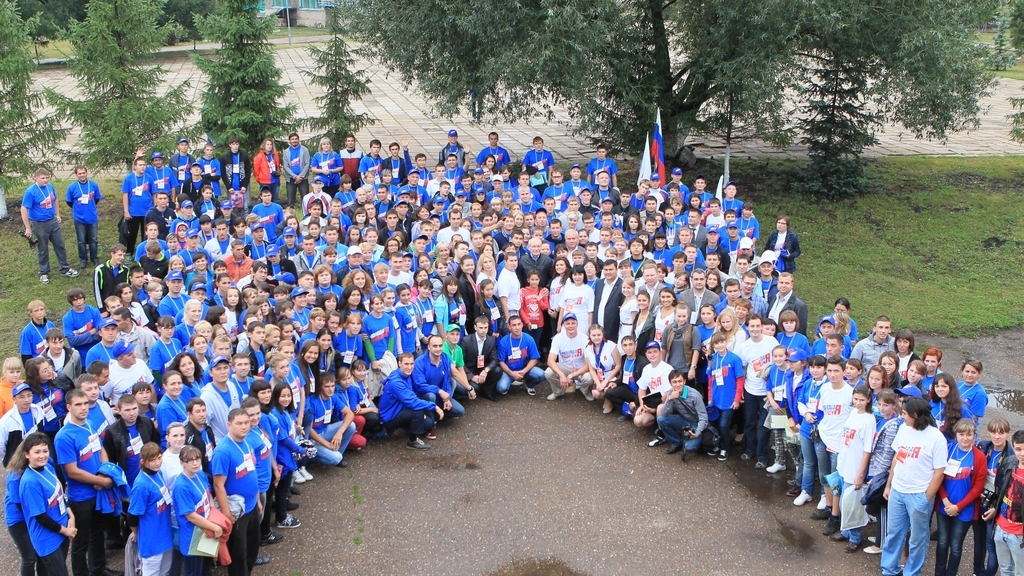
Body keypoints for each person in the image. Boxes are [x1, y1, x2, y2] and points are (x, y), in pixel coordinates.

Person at [880, 397, 949, 576]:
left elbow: (939, 472)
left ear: (916, 415)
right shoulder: (903, 429)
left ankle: (912, 573)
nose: (902, 416)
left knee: (917, 539)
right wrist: (889, 485)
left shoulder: (936, 438)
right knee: (893, 534)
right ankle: (889, 570)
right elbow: (897, 457)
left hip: (918, 495)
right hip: (897, 491)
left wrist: (926, 498)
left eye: (904, 413)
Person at [54, 389, 117, 576]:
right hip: (81, 497)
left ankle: (98, 569)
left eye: (85, 404)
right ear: (68, 407)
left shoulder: (90, 424)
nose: (83, 408)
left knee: (97, 533)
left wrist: (105, 472)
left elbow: (100, 450)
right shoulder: (64, 436)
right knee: (81, 541)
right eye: (78, 405)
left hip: (98, 491)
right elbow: (72, 471)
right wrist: (100, 480)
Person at [13, 432, 76, 576]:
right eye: (37, 452)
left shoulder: (47, 468)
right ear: (26, 454)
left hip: (61, 530)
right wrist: (65, 531)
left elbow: (59, 494)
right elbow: (40, 516)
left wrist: (71, 515)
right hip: (48, 538)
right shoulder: (30, 482)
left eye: (45, 451)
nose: (42, 455)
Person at [210, 408, 260, 576]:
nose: (244, 426)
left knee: (253, 547)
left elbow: (252, 471)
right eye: (239, 423)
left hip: (252, 505)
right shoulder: (223, 451)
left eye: (246, 422)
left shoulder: (247, 442)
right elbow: (218, 485)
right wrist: (227, 514)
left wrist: (258, 500)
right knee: (239, 554)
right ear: (229, 425)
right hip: (237, 511)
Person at [934, 419, 986, 576]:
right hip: (944, 505)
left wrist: (958, 506)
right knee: (942, 542)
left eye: (969, 435)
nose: (965, 438)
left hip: (965, 509)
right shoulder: (948, 450)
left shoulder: (979, 457)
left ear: (974, 435)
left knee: (956, 546)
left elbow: (978, 488)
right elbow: (938, 477)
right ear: (956, 434)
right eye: (961, 434)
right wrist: (945, 501)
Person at [735, 315, 779, 467]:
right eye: (752, 326)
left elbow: (779, 361)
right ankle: (750, 450)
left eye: (757, 325)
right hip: (751, 390)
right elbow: (743, 368)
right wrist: (740, 389)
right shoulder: (745, 346)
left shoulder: (771, 342)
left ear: (762, 326)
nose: (755, 329)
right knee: (750, 423)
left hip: (767, 392)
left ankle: (762, 455)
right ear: (747, 327)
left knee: (765, 425)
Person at [21, 168, 79, 283]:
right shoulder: (30, 191)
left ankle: (65, 269)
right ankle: (44, 272)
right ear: (36, 178)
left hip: (52, 221)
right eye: (43, 178)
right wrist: (28, 228)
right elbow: (23, 209)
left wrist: (57, 214)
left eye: (47, 178)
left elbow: (55, 199)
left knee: (60, 244)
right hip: (39, 224)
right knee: (43, 249)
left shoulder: (50, 187)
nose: (45, 180)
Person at [172, 445, 222, 576]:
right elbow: (191, 516)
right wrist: (215, 527)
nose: (195, 463)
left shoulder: (200, 474)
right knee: (194, 571)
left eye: (197, 459)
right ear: (182, 463)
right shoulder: (181, 486)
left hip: (206, 529)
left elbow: (208, 494)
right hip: (193, 535)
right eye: (190, 460)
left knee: (206, 568)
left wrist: (213, 511)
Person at [126, 443, 174, 576]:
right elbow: (132, 515)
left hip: (165, 534)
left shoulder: (158, 473)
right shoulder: (141, 485)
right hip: (151, 540)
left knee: (164, 571)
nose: (157, 462)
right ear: (143, 462)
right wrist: (136, 533)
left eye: (159, 458)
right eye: (152, 460)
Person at [378, 353, 442, 450]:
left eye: (411, 364)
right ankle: (412, 442)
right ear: (399, 363)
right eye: (406, 364)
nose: (409, 367)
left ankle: (406, 428)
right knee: (418, 411)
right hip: (389, 417)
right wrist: (435, 406)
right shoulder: (396, 382)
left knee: (428, 422)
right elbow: (413, 402)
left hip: (398, 410)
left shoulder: (405, 375)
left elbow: (414, 393)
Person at [655, 370, 708, 460]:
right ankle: (676, 442)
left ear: (684, 381)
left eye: (680, 381)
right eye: (674, 382)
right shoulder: (671, 392)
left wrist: (697, 432)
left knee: (689, 447)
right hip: (683, 419)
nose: (677, 384)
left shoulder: (694, 395)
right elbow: (664, 413)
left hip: (696, 422)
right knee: (661, 419)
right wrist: (670, 399)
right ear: (670, 383)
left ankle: (699, 441)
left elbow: (704, 417)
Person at [544, 313, 593, 401]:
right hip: (566, 368)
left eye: (573, 323)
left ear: (577, 324)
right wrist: (562, 375)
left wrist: (571, 376)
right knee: (548, 372)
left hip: (581, 369)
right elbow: (550, 360)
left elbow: (588, 365)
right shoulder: (558, 338)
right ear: (563, 325)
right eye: (567, 323)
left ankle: (584, 390)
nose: (570, 326)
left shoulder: (585, 338)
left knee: (588, 378)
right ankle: (558, 392)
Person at [495, 316, 546, 396]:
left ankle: (529, 385)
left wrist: (524, 371)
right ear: (509, 327)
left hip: (524, 370)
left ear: (522, 325)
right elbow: (501, 362)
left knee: (542, 374)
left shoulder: (529, 339)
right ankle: (510, 381)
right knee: (501, 388)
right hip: (509, 371)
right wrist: (512, 374)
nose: (517, 328)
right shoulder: (503, 341)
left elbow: (534, 358)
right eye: (514, 325)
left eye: (519, 324)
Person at [65, 165, 103, 270]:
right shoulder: (72, 187)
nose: (82, 175)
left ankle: (94, 258)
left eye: (83, 173)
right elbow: (69, 202)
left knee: (93, 239)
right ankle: (83, 259)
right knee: (81, 240)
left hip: (92, 217)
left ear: (87, 173)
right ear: (76, 175)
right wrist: (78, 209)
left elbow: (97, 199)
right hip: (79, 218)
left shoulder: (94, 185)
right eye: (79, 173)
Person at [461, 316, 500, 401]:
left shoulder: (491, 340)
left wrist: (486, 370)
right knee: (475, 387)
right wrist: (471, 376)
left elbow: (495, 359)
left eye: (485, 328)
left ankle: (487, 392)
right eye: (481, 328)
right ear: (475, 327)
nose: (483, 330)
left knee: (498, 370)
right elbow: (461, 363)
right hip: (470, 370)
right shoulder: (466, 341)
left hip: (482, 368)